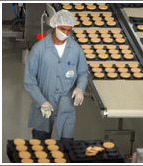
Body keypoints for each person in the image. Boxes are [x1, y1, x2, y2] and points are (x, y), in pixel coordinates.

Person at [24, 10, 88, 141]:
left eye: (69, 30)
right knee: (40, 144)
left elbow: (82, 73)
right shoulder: (39, 49)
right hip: (44, 104)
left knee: (65, 147)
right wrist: (41, 101)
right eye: (62, 29)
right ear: (55, 25)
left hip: (66, 105)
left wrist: (80, 88)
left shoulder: (76, 50)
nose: (65, 33)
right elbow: (29, 80)